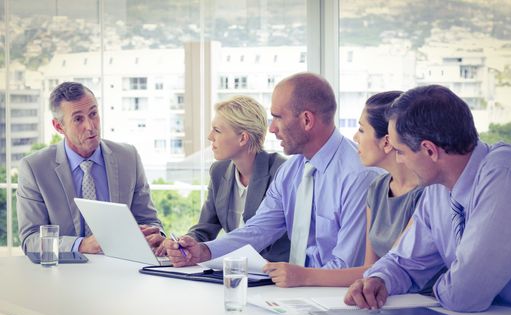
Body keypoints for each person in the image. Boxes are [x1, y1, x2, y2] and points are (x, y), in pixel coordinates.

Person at [164, 72, 379, 276]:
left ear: (306, 120)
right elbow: (259, 230)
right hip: (293, 292)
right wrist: (203, 251)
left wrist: (300, 278)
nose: (272, 129)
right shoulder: (291, 172)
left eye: (277, 118)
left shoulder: (359, 176)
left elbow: (348, 265)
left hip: (337, 298)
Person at [345, 85, 511, 312]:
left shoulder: (506, 175)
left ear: (429, 150)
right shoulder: (437, 188)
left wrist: (434, 287)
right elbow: (406, 261)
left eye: (400, 152)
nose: (398, 161)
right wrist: (378, 280)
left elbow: (465, 294)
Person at [16, 82, 164, 315]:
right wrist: (83, 245)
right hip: (63, 273)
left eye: (94, 114)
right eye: (79, 119)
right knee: (35, 311)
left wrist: (154, 235)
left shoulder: (127, 156)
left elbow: (150, 219)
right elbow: (30, 240)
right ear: (59, 126)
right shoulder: (35, 167)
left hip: (121, 271)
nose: (91, 126)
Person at [261, 91, 423, 287]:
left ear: (387, 142)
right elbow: (370, 269)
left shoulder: (424, 195)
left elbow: (392, 268)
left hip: (417, 299)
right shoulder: (378, 188)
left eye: (362, 130)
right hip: (382, 296)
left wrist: (303, 276)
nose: (355, 137)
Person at [186, 95, 290, 262]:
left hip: (272, 275)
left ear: (243, 138)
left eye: (217, 130)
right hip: (234, 270)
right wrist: (184, 244)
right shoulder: (218, 171)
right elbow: (204, 230)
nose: (210, 136)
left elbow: (262, 233)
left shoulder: (282, 172)